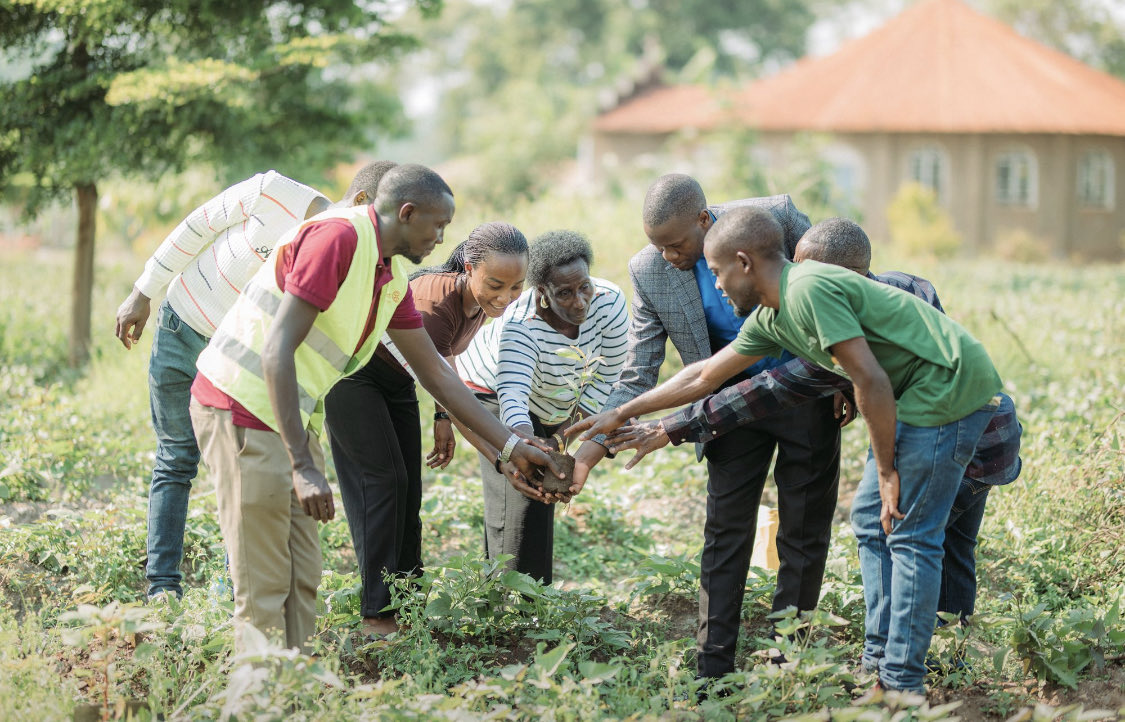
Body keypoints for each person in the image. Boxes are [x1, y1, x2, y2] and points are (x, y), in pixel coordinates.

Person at [572, 207, 1004, 694]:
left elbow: (869, 378)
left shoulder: (810, 288)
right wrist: (622, 412)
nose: (713, 286)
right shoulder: (771, 318)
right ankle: (879, 662)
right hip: (915, 396)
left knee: (907, 533)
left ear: (744, 262)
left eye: (716, 274)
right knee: (868, 522)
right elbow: (705, 375)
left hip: (947, 391)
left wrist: (887, 471)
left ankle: (902, 685)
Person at [188, 164, 562, 653]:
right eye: (438, 225)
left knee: (302, 579)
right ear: (406, 213)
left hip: (288, 421)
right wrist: (303, 464)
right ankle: (258, 699)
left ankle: (291, 690)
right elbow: (276, 347)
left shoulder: (390, 277)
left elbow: (439, 376)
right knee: (264, 588)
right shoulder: (338, 237)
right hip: (239, 410)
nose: (442, 239)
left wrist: (511, 445)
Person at [568, 174, 841, 681]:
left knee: (803, 533)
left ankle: (787, 664)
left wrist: (841, 379)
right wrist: (589, 452)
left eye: (676, 244)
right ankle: (712, 668)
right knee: (724, 533)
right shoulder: (649, 270)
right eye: (658, 246)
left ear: (703, 219)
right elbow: (639, 368)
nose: (669, 256)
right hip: (725, 411)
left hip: (803, 396)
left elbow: (837, 286)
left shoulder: (773, 218)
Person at [113, 163, 394, 599]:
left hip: (235, 364)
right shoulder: (272, 191)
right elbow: (195, 228)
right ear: (360, 203)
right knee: (175, 459)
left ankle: (231, 587)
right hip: (180, 329)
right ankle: (162, 586)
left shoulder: (345, 257)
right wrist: (143, 292)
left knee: (243, 470)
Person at [323, 221, 530, 638]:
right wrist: (500, 453)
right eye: (495, 284)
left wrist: (442, 420)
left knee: (409, 490)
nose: (505, 298)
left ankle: (410, 601)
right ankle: (377, 613)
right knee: (383, 483)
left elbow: (443, 360)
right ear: (469, 268)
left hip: (397, 379)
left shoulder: (474, 303)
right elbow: (442, 381)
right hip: (354, 376)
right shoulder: (436, 301)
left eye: (516, 287)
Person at [455, 230, 628, 584]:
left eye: (584, 287)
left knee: (546, 488)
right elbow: (513, 397)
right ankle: (511, 605)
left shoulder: (609, 303)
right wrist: (524, 445)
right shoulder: (520, 325)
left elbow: (609, 376)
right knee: (520, 490)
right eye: (564, 292)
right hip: (489, 390)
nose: (580, 302)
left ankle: (531, 601)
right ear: (543, 293)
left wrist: (572, 431)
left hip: (555, 392)